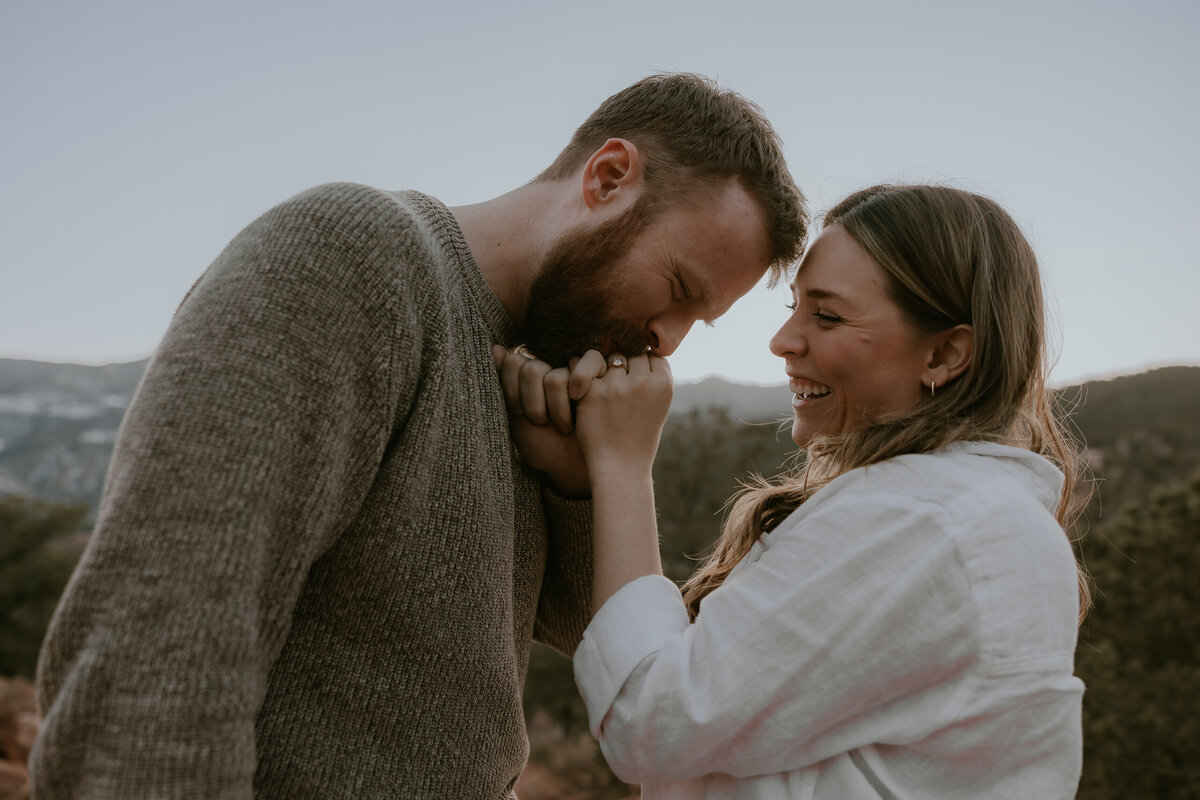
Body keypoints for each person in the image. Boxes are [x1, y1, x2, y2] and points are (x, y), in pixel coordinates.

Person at [30, 73, 808, 798]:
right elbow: (158, 636)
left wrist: (586, 479)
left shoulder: (545, 354)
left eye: (694, 323)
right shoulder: (354, 257)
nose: (667, 342)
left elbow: (579, 630)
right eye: (677, 291)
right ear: (607, 178)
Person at [503, 184, 1089, 798]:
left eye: (827, 314)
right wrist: (585, 478)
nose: (784, 339)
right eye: (795, 306)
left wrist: (621, 464)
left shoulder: (925, 520)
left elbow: (653, 722)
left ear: (944, 353)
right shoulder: (965, 513)